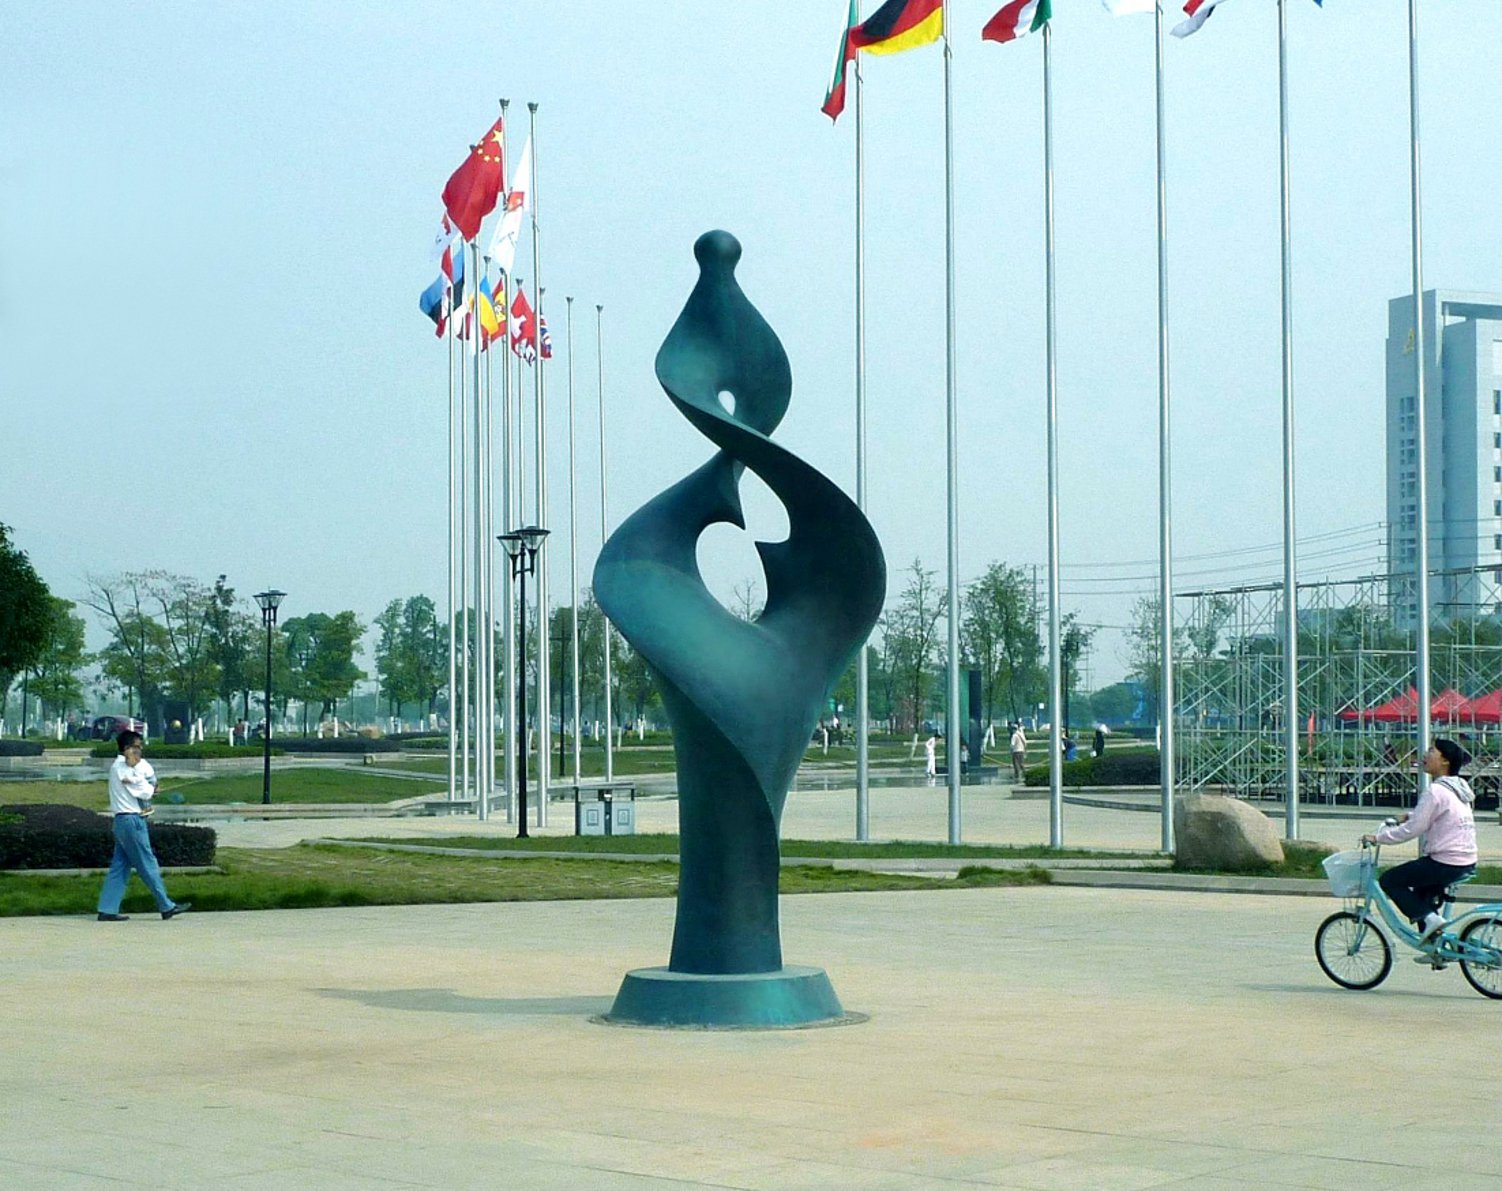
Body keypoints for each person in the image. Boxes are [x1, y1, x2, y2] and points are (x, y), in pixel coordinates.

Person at [1362, 738, 1477, 941]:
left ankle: (1431, 921)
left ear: (1445, 761)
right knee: (1422, 893)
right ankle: (1435, 946)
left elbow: (1412, 830)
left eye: (1431, 751)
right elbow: (1442, 812)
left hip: (1445, 861)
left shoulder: (1436, 790)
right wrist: (1410, 814)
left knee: (1390, 880)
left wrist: (1378, 838)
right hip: (1465, 860)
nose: (1425, 755)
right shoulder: (1459, 787)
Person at [96, 730, 191, 922]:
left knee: (120, 866)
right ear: (127, 749)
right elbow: (141, 790)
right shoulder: (121, 768)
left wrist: (148, 785)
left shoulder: (127, 767)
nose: (140, 750)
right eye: (137, 747)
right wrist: (151, 790)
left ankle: (107, 908)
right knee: (147, 863)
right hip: (131, 821)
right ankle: (166, 905)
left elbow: (145, 781)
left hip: (125, 821)